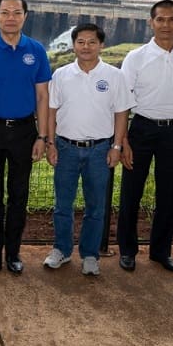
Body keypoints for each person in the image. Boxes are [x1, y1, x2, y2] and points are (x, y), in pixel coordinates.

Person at [117, 0, 173, 275]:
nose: (166, 25)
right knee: (131, 192)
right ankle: (128, 251)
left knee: (168, 194)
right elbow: (122, 102)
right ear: (150, 22)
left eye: (171, 19)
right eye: (160, 19)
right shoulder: (136, 57)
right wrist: (123, 142)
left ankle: (160, 252)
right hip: (141, 128)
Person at [0, 0, 52, 274]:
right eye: (5, 12)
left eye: (16, 12)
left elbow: (43, 97)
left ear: (25, 16)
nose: (10, 18)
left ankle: (13, 252)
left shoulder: (37, 51)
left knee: (19, 193)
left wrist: (42, 136)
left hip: (24, 130)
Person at [43, 23, 134, 276]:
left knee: (96, 206)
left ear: (101, 45)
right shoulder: (61, 75)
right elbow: (51, 112)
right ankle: (61, 250)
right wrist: (50, 143)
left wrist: (117, 145)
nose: (86, 47)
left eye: (92, 42)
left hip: (99, 149)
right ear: (74, 45)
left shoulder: (114, 76)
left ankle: (90, 255)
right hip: (66, 147)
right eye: (81, 42)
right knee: (63, 204)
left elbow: (121, 113)